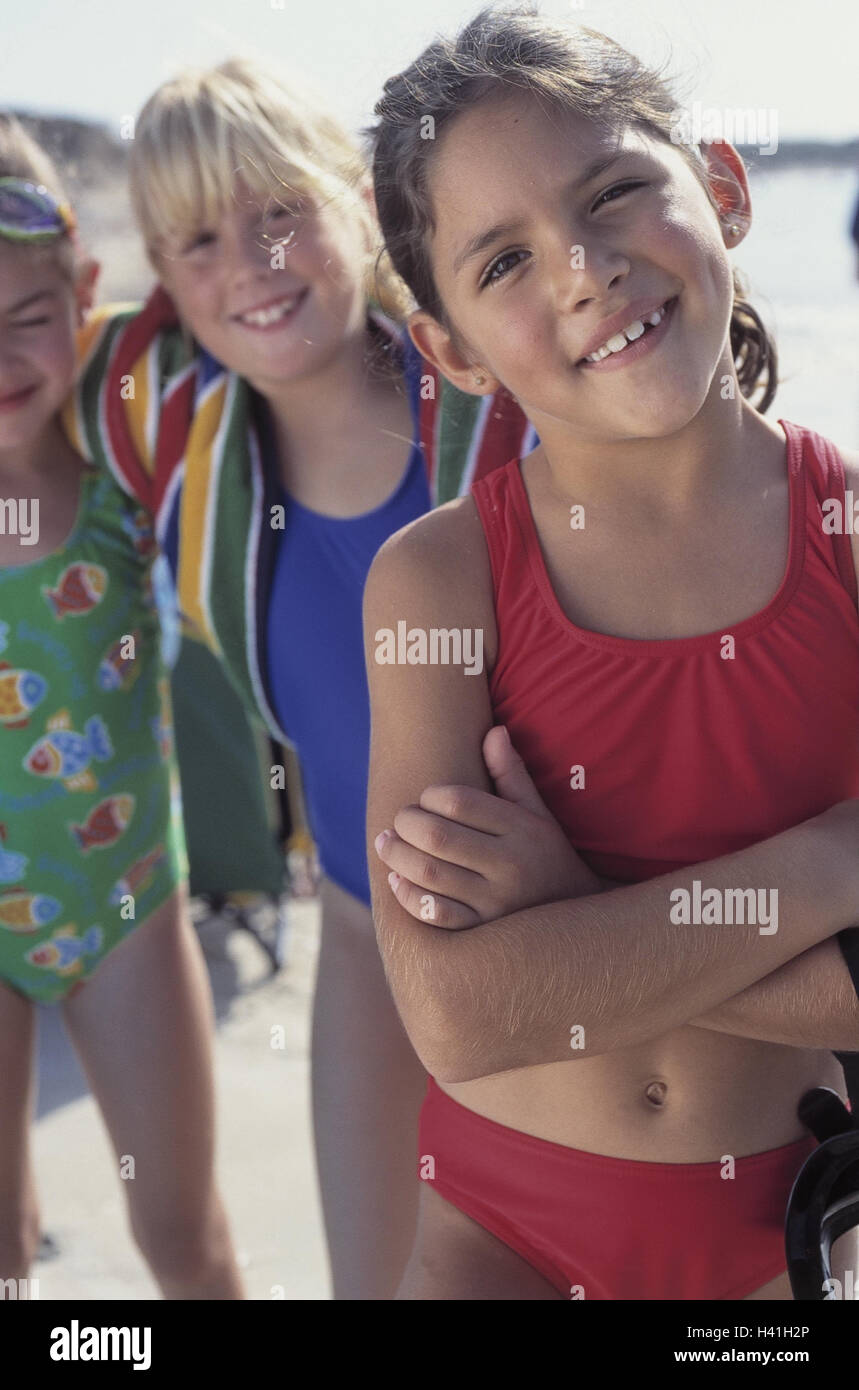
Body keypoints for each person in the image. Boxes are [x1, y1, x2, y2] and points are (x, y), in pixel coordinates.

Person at [363, 7, 859, 1300]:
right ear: (448, 352)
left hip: (777, 1246)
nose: (580, 270)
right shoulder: (438, 578)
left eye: (614, 193)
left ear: (721, 187)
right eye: (501, 263)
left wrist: (567, 913)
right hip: (493, 1233)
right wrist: (826, 860)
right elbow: (459, 1015)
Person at [61, 59, 536, 1299]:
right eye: (200, 239)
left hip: (565, 947)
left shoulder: (508, 412)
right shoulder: (164, 437)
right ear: (163, 281)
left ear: (359, 201)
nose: (252, 266)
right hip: (363, 958)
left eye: (280, 211)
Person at [0, 117, 243, 1298]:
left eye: (26, 317)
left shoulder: (125, 454)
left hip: (128, 905)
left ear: (84, 293)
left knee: (186, 1242)